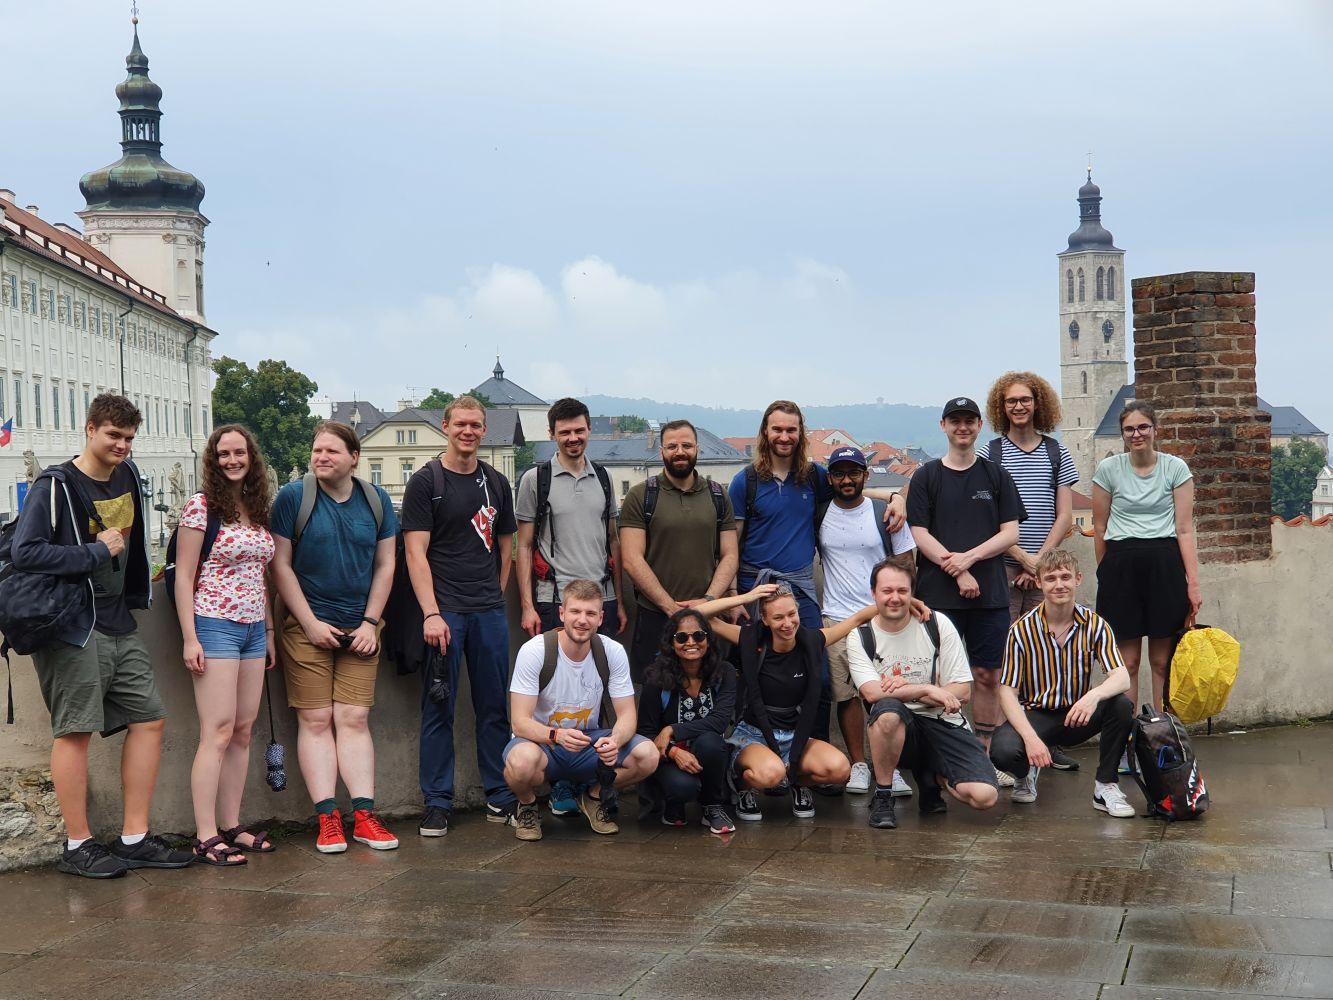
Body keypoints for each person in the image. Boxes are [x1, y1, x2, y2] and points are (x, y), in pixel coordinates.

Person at [12, 394, 193, 877]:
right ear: (90, 429)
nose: (122, 445)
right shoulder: (55, 485)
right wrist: (94, 553)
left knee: (149, 718)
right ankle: (78, 845)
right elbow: (26, 552)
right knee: (75, 732)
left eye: (129, 438)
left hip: (118, 620)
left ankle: (134, 838)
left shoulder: (127, 475)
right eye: (114, 435)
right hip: (73, 625)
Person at [729, 401, 905, 745]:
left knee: (820, 677)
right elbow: (731, 543)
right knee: (754, 671)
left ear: (801, 433)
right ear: (765, 432)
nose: (784, 436)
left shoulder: (812, 476)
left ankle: (816, 747)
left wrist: (895, 496)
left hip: (800, 589)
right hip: (755, 588)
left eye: (791, 430)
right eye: (777, 429)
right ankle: (751, 748)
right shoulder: (745, 482)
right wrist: (735, 595)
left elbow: (850, 488)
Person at [271, 421, 400, 853]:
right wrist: (308, 622)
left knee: (354, 718)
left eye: (331, 451)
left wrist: (370, 622)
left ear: (354, 458)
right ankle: (328, 818)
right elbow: (280, 565)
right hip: (307, 627)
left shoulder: (376, 500)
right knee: (315, 720)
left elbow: (386, 564)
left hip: (360, 627)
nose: (321, 457)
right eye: (316, 450)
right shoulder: (294, 497)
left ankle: (363, 816)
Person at [402, 396, 518, 836]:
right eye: (460, 424)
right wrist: (431, 613)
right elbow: (415, 553)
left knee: (494, 706)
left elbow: (506, 546)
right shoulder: (426, 481)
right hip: (445, 612)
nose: (468, 432)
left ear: (484, 431)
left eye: (475, 425)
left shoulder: (496, 482)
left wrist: (496, 592)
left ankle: (500, 795)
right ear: (446, 427)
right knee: (439, 707)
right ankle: (437, 802)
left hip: (488, 611)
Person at [175, 425, 277, 866]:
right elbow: (183, 576)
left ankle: (232, 825)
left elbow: (261, 576)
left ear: (251, 457)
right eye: (223, 454)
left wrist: (268, 631)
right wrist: (190, 638)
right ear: (213, 461)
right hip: (214, 625)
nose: (232, 460)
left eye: (239, 453)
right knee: (216, 731)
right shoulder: (201, 506)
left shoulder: (257, 508)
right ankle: (205, 835)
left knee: (242, 730)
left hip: (253, 628)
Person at [906, 395, 1024, 778]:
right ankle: (944, 760)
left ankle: (984, 760)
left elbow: (1010, 533)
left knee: (988, 676)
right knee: (940, 679)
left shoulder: (996, 475)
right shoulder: (926, 476)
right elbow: (920, 534)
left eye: (969, 421)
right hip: (938, 597)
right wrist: (957, 571)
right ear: (943, 426)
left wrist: (968, 560)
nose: (962, 427)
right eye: (955, 421)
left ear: (979, 426)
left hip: (990, 596)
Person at [695, 585, 876, 821]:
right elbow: (698, 614)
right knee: (771, 774)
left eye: (792, 614)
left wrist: (909, 602)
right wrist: (748, 597)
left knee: (840, 770)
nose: (788, 623)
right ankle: (744, 787)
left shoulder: (812, 640)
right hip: (755, 734)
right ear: (765, 620)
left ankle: (797, 783)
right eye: (778, 617)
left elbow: (858, 618)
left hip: (794, 735)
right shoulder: (750, 638)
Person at [848, 556, 998, 829]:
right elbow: (872, 694)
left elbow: (962, 691)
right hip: (898, 729)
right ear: (873, 593)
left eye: (902, 590)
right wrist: (927, 689)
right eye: (887, 590)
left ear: (912, 593)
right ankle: (883, 796)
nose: (895, 598)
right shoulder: (861, 636)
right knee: (888, 713)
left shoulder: (936, 624)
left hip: (943, 722)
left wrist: (904, 689)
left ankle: (932, 777)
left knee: (984, 797)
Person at [503, 580, 659, 841]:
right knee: (520, 764)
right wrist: (556, 735)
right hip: (544, 744)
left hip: (589, 742)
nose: (582, 620)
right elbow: (519, 723)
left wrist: (615, 741)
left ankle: (593, 797)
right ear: (562, 613)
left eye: (590, 613)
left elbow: (627, 715)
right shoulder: (535, 651)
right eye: (575, 611)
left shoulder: (612, 651)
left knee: (648, 755)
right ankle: (527, 806)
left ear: (601, 618)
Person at [983, 371, 1081, 774]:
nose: (1019, 406)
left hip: (1046, 572)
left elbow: (1064, 515)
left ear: (1038, 403)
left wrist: (1039, 564)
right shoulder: (992, 453)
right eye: (1011, 401)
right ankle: (1006, 748)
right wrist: (1023, 559)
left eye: (1025, 399)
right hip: (1003, 571)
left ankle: (1047, 741)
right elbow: (986, 516)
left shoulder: (1056, 451)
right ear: (1001, 407)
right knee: (1005, 662)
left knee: (1047, 661)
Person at [989, 550, 1136, 817]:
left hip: (1077, 714)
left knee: (1121, 706)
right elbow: (1007, 691)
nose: (1059, 584)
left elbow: (1122, 676)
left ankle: (1105, 786)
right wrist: (1031, 740)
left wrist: (1092, 697)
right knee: (1002, 751)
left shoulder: (1095, 625)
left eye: (1065, 577)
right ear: (1039, 583)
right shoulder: (1021, 630)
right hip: (1037, 715)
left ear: (1078, 579)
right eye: (1051, 578)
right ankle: (1025, 773)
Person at [1092, 400, 1200, 751]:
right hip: (1121, 565)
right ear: (1122, 434)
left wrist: (1193, 583)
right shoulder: (1108, 469)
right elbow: (1099, 526)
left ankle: (1165, 740)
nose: (1136, 434)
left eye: (1142, 427)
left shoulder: (1175, 468)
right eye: (1129, 429)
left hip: (1164, 565)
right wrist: (1105, 571)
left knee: (1161, 661)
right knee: (1127, 663)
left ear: (1154, 430)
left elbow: (1185, 529)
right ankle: (1126, 741)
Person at [816, 445, 916, 796]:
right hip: (836, 618)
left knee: (885, 694)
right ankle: (859, 764)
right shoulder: (820, 513)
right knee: (845, 696)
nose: (847, 480)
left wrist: (902, 607)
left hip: (881, 618)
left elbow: (906, 564)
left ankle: (889, 766)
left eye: (854, 473)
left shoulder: (883, 513)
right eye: (839, 474)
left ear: (865, 475)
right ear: (830, 478)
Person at [620, 418, 739, 682]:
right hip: (655, 615)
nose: (680, 452)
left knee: (709, 687)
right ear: (661, 450)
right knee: (655, 690)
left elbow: (730, 555)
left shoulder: (718, 495)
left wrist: (708, 601)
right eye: (672, 446)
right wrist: (671, 608)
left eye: (687, 445)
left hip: (708, 616)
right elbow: (631, 559)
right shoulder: (641, 496)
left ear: (697, 448)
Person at [516, 397, 626, 637]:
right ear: (551, 434)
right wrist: (527, 607)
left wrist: (619, 601)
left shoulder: (604, 477)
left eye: (579, 430)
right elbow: (523, 546)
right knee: (556, 662)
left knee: (601, 662)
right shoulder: (535, 480)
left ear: (589, 430)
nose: (573, 438)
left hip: (602, 598)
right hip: (556, 599)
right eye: (565, 432)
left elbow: (613, 540)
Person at [636, 610, 738, 835]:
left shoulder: (725, 672)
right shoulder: (656, 678)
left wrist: (671, 729)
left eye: (698, 636)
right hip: (669, 756)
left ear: (708, 640)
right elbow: (645, 732)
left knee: (711, 742)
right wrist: (673, 751)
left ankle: (712, 806)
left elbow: (719, 722)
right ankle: (673, 802)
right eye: (682, 637)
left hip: (709, 753)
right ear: (671, 643)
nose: (691, 642)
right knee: (683, 787)